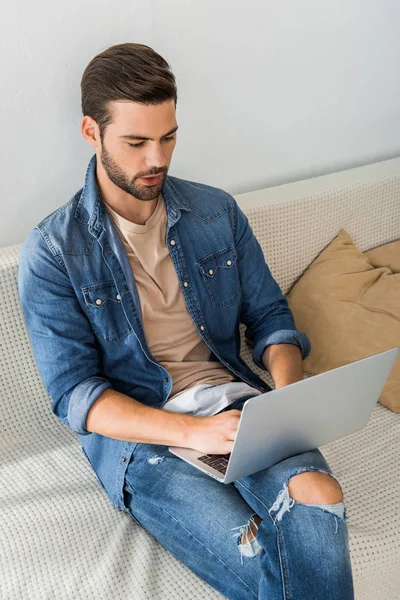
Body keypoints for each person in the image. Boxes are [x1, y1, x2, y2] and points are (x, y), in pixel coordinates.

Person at [18, 42, 354, 599]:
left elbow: (270, 317)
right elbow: (75, 394)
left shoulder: (215, 212)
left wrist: (287, 404)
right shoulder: (54, 251)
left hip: (240, 407)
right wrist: (195, 432)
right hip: (143, 436)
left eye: (168, 136)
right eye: (136, 141)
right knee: (259, 555)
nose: (157, 158)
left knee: (319, 496)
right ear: (90, 131)